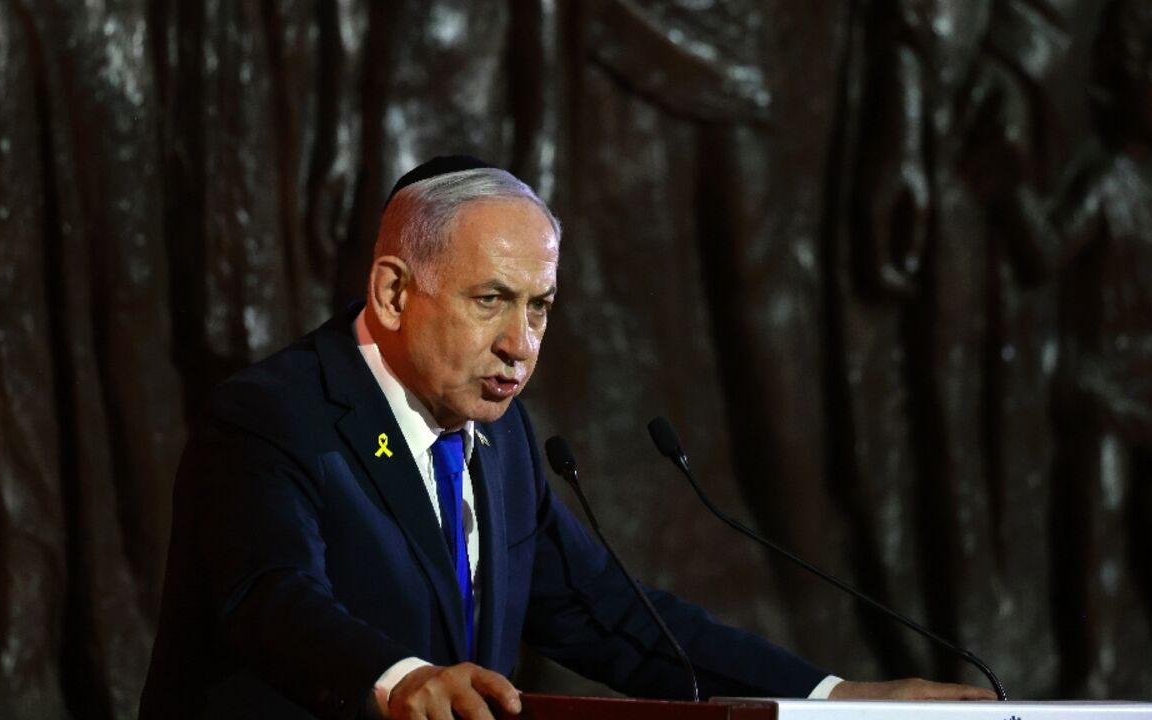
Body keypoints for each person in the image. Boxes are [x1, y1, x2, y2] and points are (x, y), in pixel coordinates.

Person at [140, 156, 994, 719]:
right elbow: (272, 598)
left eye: (538, 307)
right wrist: (402, 680)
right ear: (396, 293)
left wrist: (830, 700)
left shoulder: (499, 445)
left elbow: (616, 620)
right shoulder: (274, 415)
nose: (521, 343)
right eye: (491, 300)